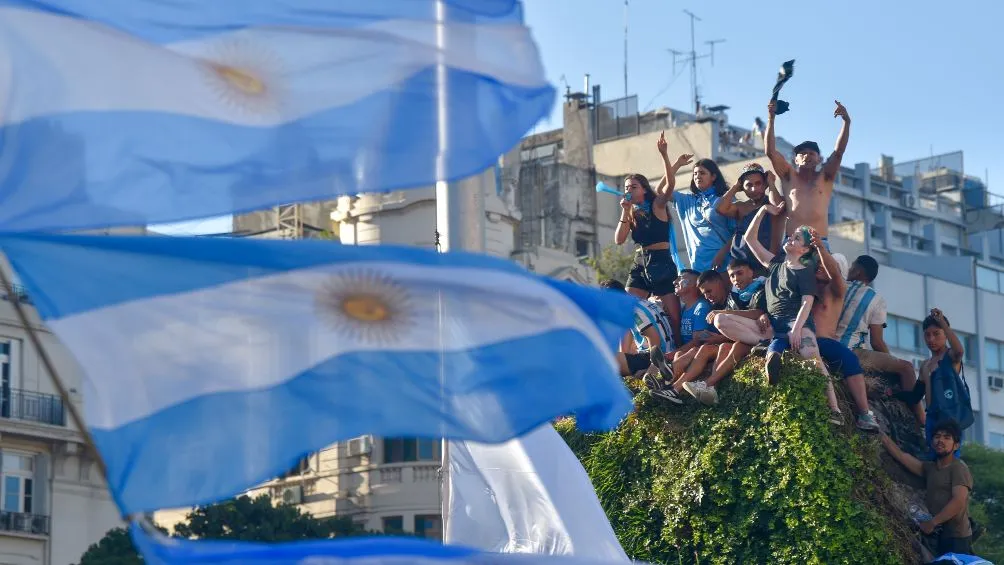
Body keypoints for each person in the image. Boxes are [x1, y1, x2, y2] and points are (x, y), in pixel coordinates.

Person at [742, 204, 842, 425]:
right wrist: (763, 211)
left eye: (797, 238)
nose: (790, 238)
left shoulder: (804, 270)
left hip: (796, 324)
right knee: (723, 321)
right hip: (772, 325)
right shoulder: (775, 263)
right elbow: (750, 239)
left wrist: (796, 330)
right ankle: (770, 347)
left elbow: (807, 301)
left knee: (813, 357)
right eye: (792, 235)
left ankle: (834, 409)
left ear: (805, 250)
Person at [616, 134, 693, 346]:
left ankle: (676, 351)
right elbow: (619, 240)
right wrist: (625, 212)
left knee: (674, 315)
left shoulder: (657, 205)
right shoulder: (631, 212)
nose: (628, 190)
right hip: (640, 261)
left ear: (643, 189)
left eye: (633, 187)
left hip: (660, 261)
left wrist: (666, 156)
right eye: (626, 188)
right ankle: (633, 351)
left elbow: (669, 184)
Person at [836, 255, 926, 427]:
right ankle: (921, 419)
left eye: (852, 266)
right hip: (851, 351)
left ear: (857, 271)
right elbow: (877, 342)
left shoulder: (837, 286)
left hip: (827, 345)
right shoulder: (876, 299)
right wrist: (891, 363)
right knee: (906, 368)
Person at [807, 231, 879, 432]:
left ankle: (864, 413)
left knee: (849, 360)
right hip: (802, 339)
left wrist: (821, 248)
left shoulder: (837, 290)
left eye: (826, 265)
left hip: (824, 342)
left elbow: (835, 274)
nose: (821, 267)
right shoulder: (806, 285)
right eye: (819, 264)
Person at [880, 419, 974, 556]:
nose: (940, 440)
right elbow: (902, 456)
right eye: (937, 436)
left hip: (957, 536)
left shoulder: (959, 468)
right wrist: (880, 433)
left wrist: (933, 522)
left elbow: (958, 501)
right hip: (938, 535)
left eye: (947, 437)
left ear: (956, 445)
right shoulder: (930, 468)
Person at [765, 99, 851, 249]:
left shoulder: (825, 177)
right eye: (802, 153)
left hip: (820, 242)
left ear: (819, 159)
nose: (807, 155)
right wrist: (771, 119)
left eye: (812, 153)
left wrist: (846, 122)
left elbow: (838, 152)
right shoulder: (788, 176)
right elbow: (771, 152)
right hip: (792, 241)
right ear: (795, 160)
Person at [657, 134, 735, 273]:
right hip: (698, 266)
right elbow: (660, 190)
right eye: (695, 174)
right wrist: (674, 163)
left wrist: (722, 253)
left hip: (723, 264)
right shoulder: (687, 200)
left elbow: (738, 232)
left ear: (713, 176)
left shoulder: (725, 199)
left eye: (702, 173)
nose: (697, 176)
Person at [654, 270, 717, 404]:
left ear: (695, 285)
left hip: (702, 350)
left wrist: (671, 354)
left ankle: (665, 381)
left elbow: (697, 342)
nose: (675, 282)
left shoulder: (701, 307)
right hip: (687, 352)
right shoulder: (684, 308)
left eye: (681, 278)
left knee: (681, 354)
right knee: (679, 355)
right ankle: (668, 385)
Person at [599, 279, 675, 380]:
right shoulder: (640, 302)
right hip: (664, 349)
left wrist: (653, 366)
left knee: (606, 358)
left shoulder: (633, 310)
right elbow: (626, 335)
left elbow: (653, 336)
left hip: (659, 355)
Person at [715, 163, 785, 270]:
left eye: (758, 183)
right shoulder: (741, 207)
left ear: (765, 184)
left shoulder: (772, 201)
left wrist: (771, 183)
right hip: (741, 263)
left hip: (766, 262)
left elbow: (778, 207)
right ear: (742, 187)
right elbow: (720, 209)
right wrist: (735, 187)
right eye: (749, 185)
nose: (754, 189)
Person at [919, 309, 968, 458]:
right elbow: (915, 395)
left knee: (949, 459)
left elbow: (959, 351)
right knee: (932, 461)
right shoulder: (925, 365)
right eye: (927, 335)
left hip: (950, 415)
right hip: (931, 416)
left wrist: (943, 322)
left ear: (946, 335)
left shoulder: (950, 357)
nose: (931, 339)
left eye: (936, 334)